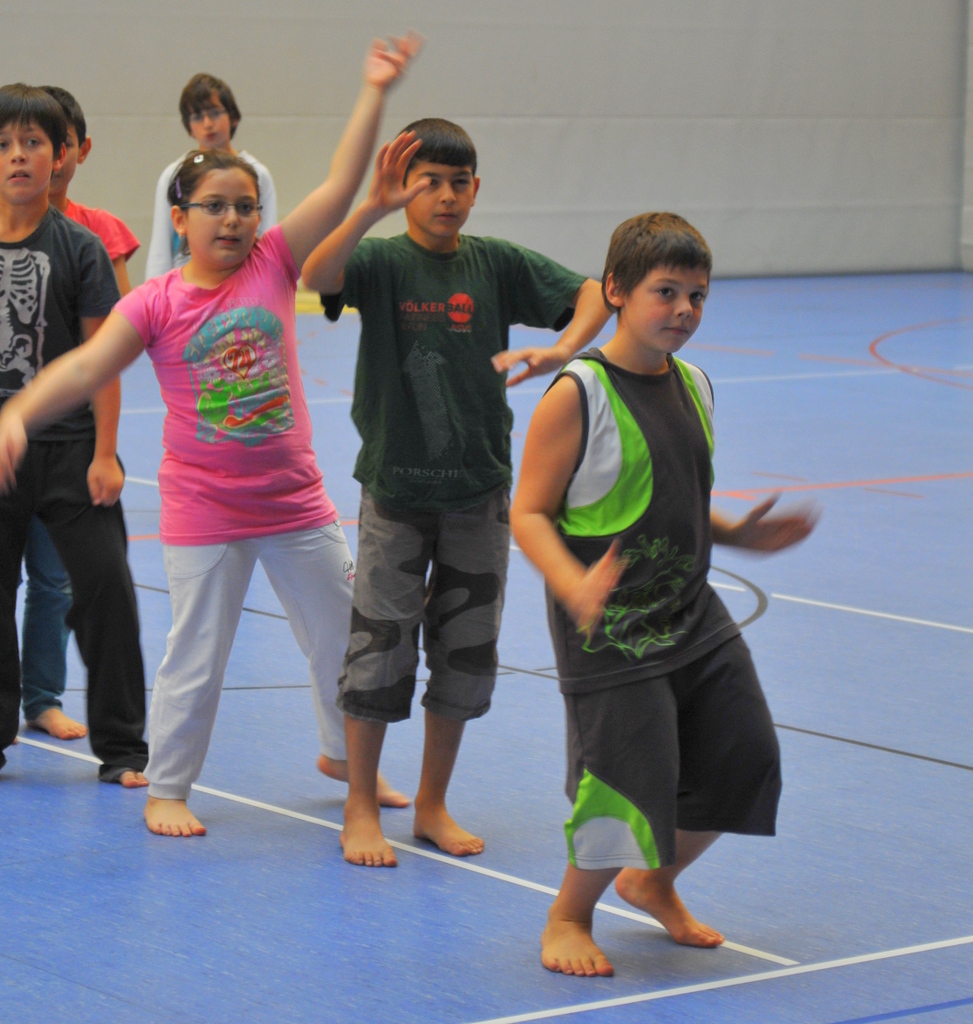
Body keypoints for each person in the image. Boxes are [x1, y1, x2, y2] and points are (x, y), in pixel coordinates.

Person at [0, 35, 421, 836]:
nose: (232, 220)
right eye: (215, 207)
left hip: (294, 503)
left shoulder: (274, 263)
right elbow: (85, 367)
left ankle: (343, 753)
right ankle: (168, 788)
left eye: (245, 206)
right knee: (195, 656)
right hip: (206, 511)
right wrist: (17, 414)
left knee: (342, 633)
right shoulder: (155, 302)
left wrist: (373, 90)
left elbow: (340, 185)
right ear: (180, 218)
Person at [509, 212, 818, 977]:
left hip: (690, 610)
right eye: (665, 291)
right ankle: (568, 915)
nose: (683, 309)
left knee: (746, 753)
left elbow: (673, 494)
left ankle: (651, 880)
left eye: (696, 296)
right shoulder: (577, 394)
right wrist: (572, 584)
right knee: (627, 776)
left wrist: (737, 534)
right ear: (615, 290)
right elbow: (528, 512)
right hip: (609, 626)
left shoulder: (694, 384)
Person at [301, 117, 612, 868]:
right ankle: (360, 803)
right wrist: (370, 206)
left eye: (458, 182)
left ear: (476, 190)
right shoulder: (382, 261)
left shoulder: (494, 262)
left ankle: (432, 803)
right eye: (428, 182)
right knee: (379, 651)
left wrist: (564, 347)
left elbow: (595, 292)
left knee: (465, 654)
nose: (444, 196)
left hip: (479, 492)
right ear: (404, 188)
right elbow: (316, 274)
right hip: (396, 493)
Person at [0, 83, 148, 784]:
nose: (16, 156)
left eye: (31, 143)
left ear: (59, 156)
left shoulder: (82, 248)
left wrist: (106, 453)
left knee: (106, 590)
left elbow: (102, 359)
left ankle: (122, 747)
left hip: (70, 450)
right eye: (3, 145)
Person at [144, 72, 276, 280]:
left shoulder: (257, 174)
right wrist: (155, 294)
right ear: (188, 127)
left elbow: (269, 243)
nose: (207, 124)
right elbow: (160, 249)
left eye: (214, 113)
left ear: (233, 118)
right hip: (187, 285)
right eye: (197, 117)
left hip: (243, 282)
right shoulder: (174, 175)